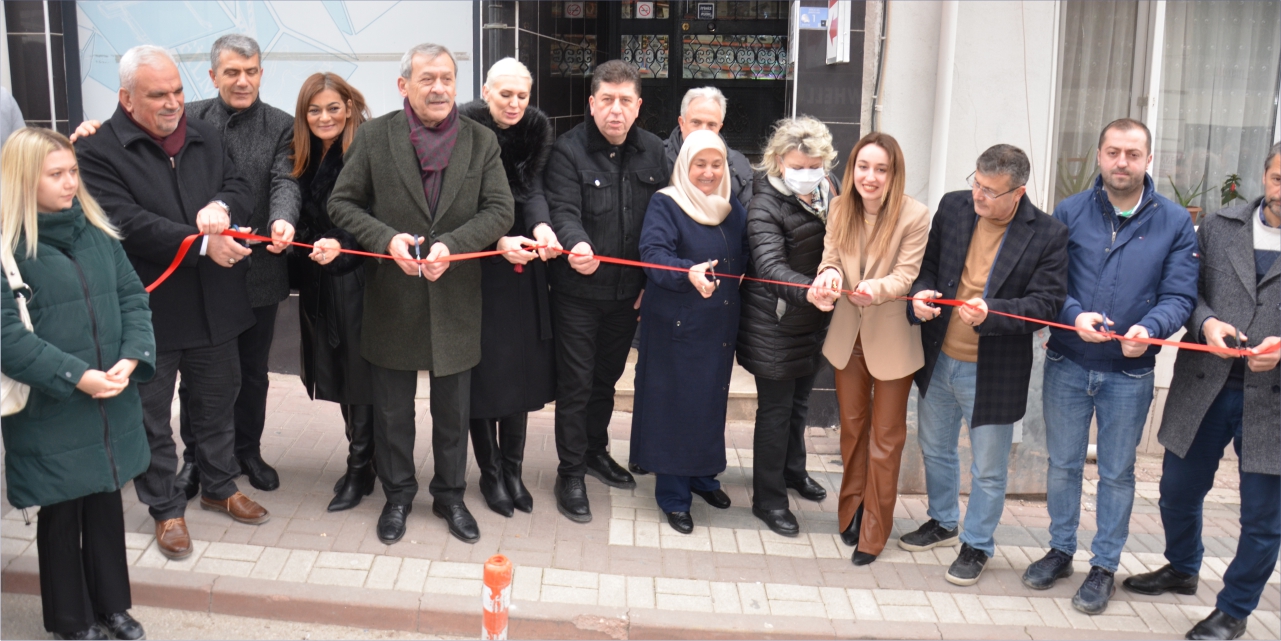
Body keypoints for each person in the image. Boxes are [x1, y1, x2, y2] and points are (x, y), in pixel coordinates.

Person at [73, 35, 300, 496]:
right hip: (164, 297)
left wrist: (248, 212)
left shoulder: (243, 129)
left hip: (235, 287)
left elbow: (260, 184)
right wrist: (202, 243)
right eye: (159, 94)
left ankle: (232, 470)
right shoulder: (120, 142)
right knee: (170, 402)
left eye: (176, 90)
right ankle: (178, 488)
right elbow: (125, 217)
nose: (172, 102)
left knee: (233, 388)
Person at [328, 43, 514, 545]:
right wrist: (384, 239)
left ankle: (451, 496)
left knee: (452, 411)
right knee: (392, 410)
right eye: (427, 78)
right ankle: (398, 497)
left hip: (455, 296)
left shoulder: (480, 140)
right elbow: (342, 204)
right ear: (403, 85)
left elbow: (500, 211)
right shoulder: (373, 136)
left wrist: (452, 245)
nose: (438, 88)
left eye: (447, 79)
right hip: (392, 294)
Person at [1022, 118, 1198, 615]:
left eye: (1133, 154)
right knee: (1062, 465)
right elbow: (1049, 282)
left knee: (1118, 473)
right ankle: (1060, 550)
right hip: (1068, 361)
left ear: (1148, 160)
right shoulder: (1069, 211)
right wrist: (1073, 316)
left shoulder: (1174, 221)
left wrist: (1151, 329)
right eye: (1114, 152)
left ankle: (1104, 566)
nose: (1123, 162)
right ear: (1099, 155)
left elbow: (1180, 295)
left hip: (1131, 373)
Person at [1121, 143, 1280, 640]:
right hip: (1205, 383)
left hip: (1272, 398)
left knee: (1261, 516)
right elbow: (1185, 291)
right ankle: (1182, 567)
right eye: (1278, 178)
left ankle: (1234, 609)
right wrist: (1206, 322)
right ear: (1264, 175)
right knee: (1176, 491)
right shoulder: (1218, 224)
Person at [1, 127, 153, 641]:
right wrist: (76, 377)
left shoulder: (95, 229)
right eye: (57, 174)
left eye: (73, 172)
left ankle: (113, 607)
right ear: (25, 179)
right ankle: (71, 620)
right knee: (63, 509)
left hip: (109, 393)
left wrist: (132, 357)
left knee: (107, 499)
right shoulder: (8, 247)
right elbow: (7, 339)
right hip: (54, 403)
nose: (71, 183)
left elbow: (133, 296)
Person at [899, 144, 1068, 587]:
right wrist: (923, 293)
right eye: (976, 182)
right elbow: (928, 267)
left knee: (988, 468)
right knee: (935, 448)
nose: (979, 195)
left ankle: (976, 544)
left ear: (1018, 193)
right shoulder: (955, 206)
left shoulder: (1047, 233)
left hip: (993, 368)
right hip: (939, 357)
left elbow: (1046, 304)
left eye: (991, 191)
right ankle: (942, 520)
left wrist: (993, 312)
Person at [542, 60, 669, 523]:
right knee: (575, 385)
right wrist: (575, 242)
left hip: (628, 295)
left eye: (625, 101)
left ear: (638, 106)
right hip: (577, 293)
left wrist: (653, 280)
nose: (616, 110)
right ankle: (570, 472)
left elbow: (665, 221)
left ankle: (596, 452)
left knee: (606, 381)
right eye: (607, 100)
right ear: (592, 103)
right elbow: (563, 209)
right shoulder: (568, 151)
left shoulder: (655, 152)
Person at [809, 132, 929, 565]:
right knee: (853, 432)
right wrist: (827, 277)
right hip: (848, 337)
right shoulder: (840, 207)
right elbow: (831, 258)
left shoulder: (915, 215)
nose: (870, 177)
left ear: (893, 173)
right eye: (863, 167)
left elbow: (906, 275)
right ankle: (851, 511)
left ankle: (875, 531)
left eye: (881, 169)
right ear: (852, 168)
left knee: (886, 440)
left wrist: (875, 288)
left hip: (892, 339)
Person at [629, 129, 747, 534]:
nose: (709, 172)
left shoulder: (731, 207)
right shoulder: (667, 203)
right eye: (701, 163)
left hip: (718, 327)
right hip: (677, 327)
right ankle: (674, 496)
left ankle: (703, 477)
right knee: (676, 408)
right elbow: (653, 256)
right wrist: (687, 273)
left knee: (709, 404)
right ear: (685, 165)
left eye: (717, 164)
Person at [458, 58, 560, 516]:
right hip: (481, 262)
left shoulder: (537, 130)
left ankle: (514, 469)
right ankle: (490, 473)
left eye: (522, 95)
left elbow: (533, 189)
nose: (515, 104)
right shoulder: (462, 130)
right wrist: (497, 240)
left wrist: (542, 228)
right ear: (486, 91)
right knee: (485, 375)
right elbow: (459, 204)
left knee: (520, 369)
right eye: (505, 95)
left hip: (525, 263)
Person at [735, 116, 838, 538]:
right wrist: (811, 290)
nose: (806, 174)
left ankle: (794, 472)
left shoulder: (829, 192)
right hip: (774, 322)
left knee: (800, 405)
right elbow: (771, 266)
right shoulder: (764, 203)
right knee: (775, 414)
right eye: (797, 166)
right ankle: (768, 499)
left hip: (813, 319)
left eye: (814, 166)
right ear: (778, 162)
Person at [288, 72, 375, 512]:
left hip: (356, 275)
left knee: (357, 376)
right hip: (317, 277)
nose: (325, 117)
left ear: (350, 107)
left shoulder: (365, 148)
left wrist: (341, 241)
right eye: (314, 109)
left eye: (333, 108)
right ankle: (363, 460)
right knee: (337, 373)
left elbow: (372, 211)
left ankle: (361, 467)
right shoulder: (301, 155)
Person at [662, 86, 753, 207]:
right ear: (682, 123)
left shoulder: (739, 166)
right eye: (696, 122)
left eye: (711, 125)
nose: (703, 130)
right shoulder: (658, 158)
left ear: (720, 127)